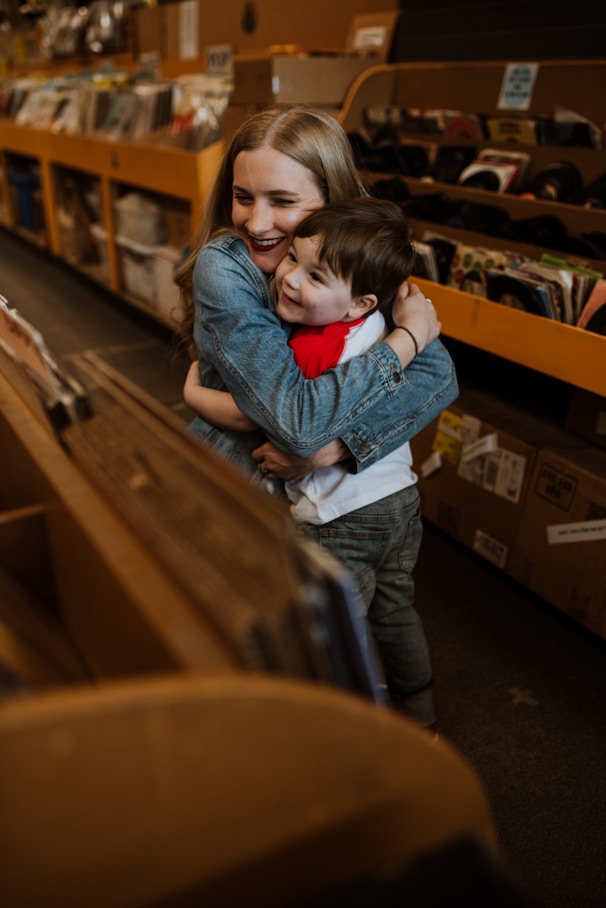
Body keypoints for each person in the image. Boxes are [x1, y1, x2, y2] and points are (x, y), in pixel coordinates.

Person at [184, 197, 437, 727]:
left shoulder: (314, 350)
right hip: (399, 501)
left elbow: (272, 416)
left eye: (315, 276)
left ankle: (344, 732)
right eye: (294, 260)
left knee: (336, 632)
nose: (290, 279)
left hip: (340, 518)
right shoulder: (380, 327)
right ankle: (421, 715)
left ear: (358, 303)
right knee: (396, 611)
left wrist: (196, 396)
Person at [175, 105, 458, 490]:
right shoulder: (226, 265)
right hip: (237, 485)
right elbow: (295, 424)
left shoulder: (352, 259)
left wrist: (335, 449)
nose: (256, 223)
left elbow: (437, 376)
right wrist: (408, 337)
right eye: (243, 197)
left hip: (324, 504)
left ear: (332, 201)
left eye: (283, 201)